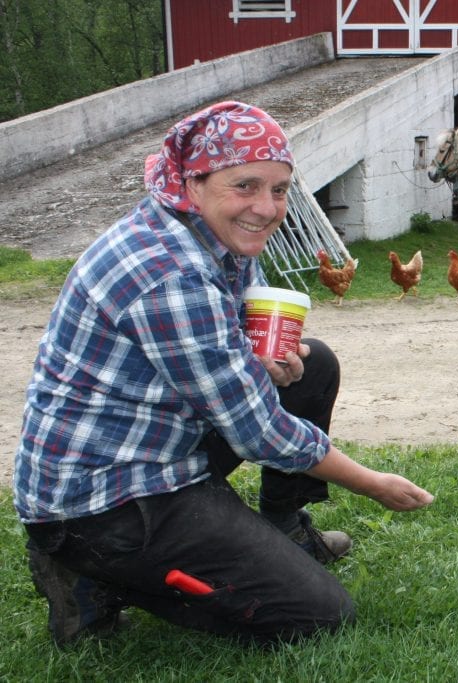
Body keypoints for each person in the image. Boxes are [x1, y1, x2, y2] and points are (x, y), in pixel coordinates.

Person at [13, 101, 434, 647]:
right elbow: (258, 432)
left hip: (158, 444)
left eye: (280, 190)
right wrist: (373, 484)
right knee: (317, 615)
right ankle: (93, 572)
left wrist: (257, 363)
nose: (266, 207)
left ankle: (283, 528)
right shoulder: (168, 273)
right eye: (246, 186)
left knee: (314, 364)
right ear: (193, 184)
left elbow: (219, 356)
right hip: (104, 500)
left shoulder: (216, 238)